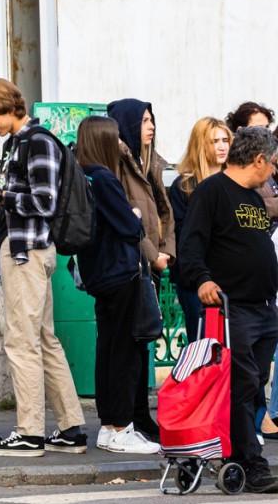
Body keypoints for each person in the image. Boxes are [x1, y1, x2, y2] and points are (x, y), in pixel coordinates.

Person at [0, 77, 86, 457]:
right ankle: (71, 428)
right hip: (27, 251)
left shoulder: (36, 142)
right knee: (44, 340)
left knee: (21, 341)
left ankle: (29, 433)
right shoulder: (20, 143)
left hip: (25, 253)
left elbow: (44, 202)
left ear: (8, 108)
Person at [178, 127, 278, 494]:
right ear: (259, 160)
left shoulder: (253, 198)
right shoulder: (212, 192)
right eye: (273, 163)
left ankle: (239, 453)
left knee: (253, 385)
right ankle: (250, 463)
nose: (274, 170)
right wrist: (202, 280)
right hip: (234, 308)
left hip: (264, 307)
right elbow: (191, 244)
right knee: (242, 385)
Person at [72, 116, 160, 455]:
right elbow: (129, 227)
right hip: (121, 273)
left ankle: (109, 426)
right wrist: (135, 215)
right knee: (125, 352)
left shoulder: (82, 175)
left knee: (107, 350)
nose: (121, 143)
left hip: (97, 273)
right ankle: (122, 427)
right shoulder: (105, 178)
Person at [106, 98, 174, 441]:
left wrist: (167, 252)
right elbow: (128, 218)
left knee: (144, 340)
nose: (151, 127)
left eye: (152, 120)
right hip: (133, 262)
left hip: (154, 262)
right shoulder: (119, 162)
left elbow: (165, 212)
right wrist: (152, 254)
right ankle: (130, 416)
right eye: (145, 121)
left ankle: (140, 413)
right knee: (130, 343)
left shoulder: (151, 162)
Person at [168, 117, 232, 341]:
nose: (222, 146)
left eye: (225, 140)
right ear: (201, 145)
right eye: (214, 141)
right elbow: (184, 236)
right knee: (205, 345)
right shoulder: (184, 186)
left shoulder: (235, 181)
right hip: (197, 280)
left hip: (232, 278)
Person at [226, 103, 278, 225]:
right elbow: (238, 206)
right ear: (240, 131)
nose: (266, 134)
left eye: (267, 128)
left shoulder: (269, 161)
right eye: (259, 129)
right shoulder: (231, 165)